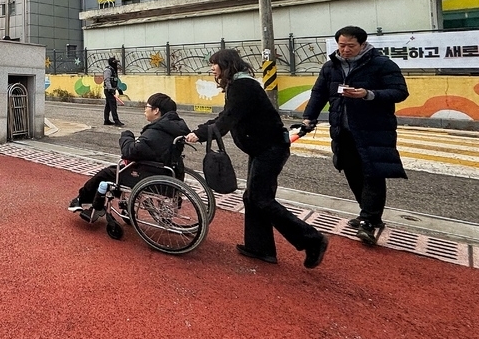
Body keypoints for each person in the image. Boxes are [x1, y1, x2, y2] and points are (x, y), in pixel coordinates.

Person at [185, 48, 328, 268]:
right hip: (264, 149)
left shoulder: (243, 86)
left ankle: (312, 240)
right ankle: (260, 247)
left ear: (226, 64)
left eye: (214, 64)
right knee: (253, 197)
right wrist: (201, 130)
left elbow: (227, 120)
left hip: (270, 149)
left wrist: (200, 134)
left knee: (261, 198)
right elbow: (225, 116)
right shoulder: (239, 85)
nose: (212, 68)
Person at [302, 26, 409, 246]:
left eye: (350, 45)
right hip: (342, 130)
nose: (345, 50)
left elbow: (400, 91)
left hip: (374, 130)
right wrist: (308, 118)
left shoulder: (382, 64)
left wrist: (368, 94)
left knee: (373, 173)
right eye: (341, 45)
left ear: (362, 44)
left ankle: (368, 221)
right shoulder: (331, 67)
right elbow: (319, 93)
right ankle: (368, 214)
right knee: (351, 171)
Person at [69, 93, 189, 220]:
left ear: (156, 110)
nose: (145, 109)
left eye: (147, 106)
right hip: (168, 173)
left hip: (149, 175)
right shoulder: (175, 128)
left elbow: (129, 152)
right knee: (116, 169)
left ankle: (82, 199)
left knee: (107, 173)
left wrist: (127, 136)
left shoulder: (156, 132)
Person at [102, 56, 124, 126]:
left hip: (112, 90)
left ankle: (106, 120)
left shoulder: (113, 70)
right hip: (108, 90)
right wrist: (110, 89)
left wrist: (118, 89)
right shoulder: (108, 70)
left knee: (108, 106)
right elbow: (107, 80)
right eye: (115, 63)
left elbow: (114, 81)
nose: (116, 65)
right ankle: (116, 121)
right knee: (113, 105)